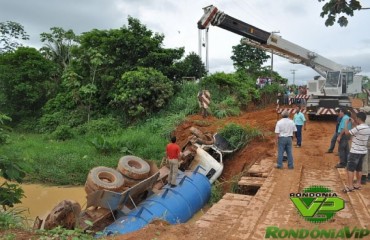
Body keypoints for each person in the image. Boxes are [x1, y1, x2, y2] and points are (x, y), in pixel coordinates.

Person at [342, 112, 370, 192]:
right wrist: (354, 123)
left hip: (355, 151)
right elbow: (357, 130)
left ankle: (350, 186)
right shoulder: (367, 127)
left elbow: (347, 133)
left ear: (358, 118)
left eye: (356, 118)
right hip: (363, 151)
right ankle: (358, 184)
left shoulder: (358, 128)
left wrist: (346, 124)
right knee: (359, 169)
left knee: (350, 169)